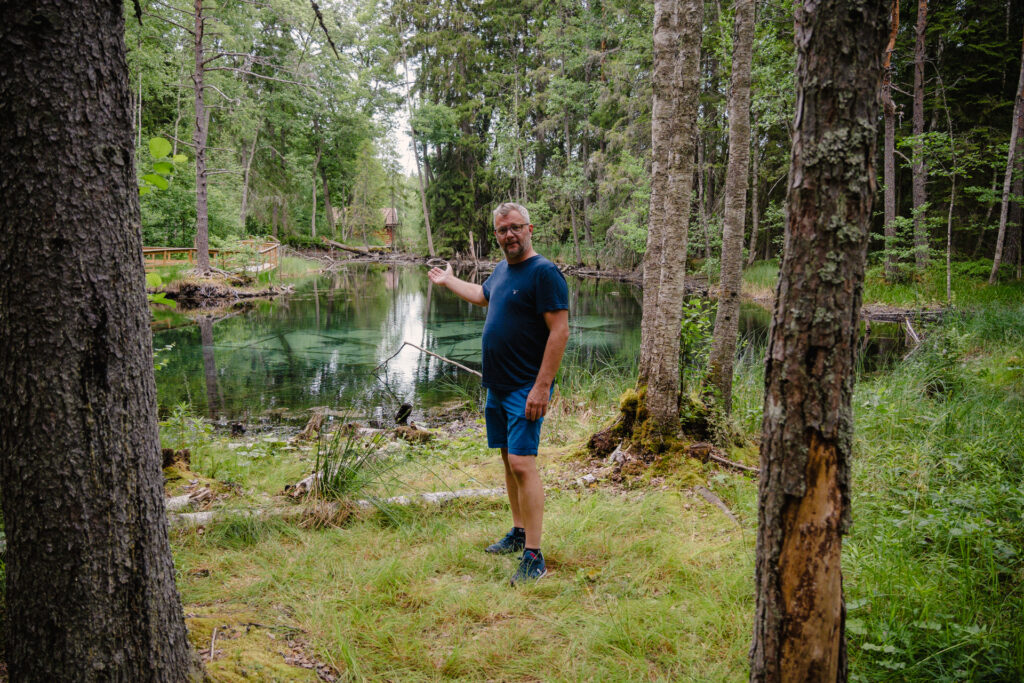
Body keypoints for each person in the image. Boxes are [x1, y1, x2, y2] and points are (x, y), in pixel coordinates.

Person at [428, 202, 569, 586]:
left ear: (529, 229)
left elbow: (560, 332)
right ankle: (519, 531)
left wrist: (542, 387)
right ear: (496, 234)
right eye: (502, 229)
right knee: (508, 460)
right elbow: (482, 295)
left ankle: (535, 557)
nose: (509, 234)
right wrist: (448, 281)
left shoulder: (544, 273)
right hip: (499, 384)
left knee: (523, 464)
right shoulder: (504, 270)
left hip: (526, 386)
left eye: (515, 227)